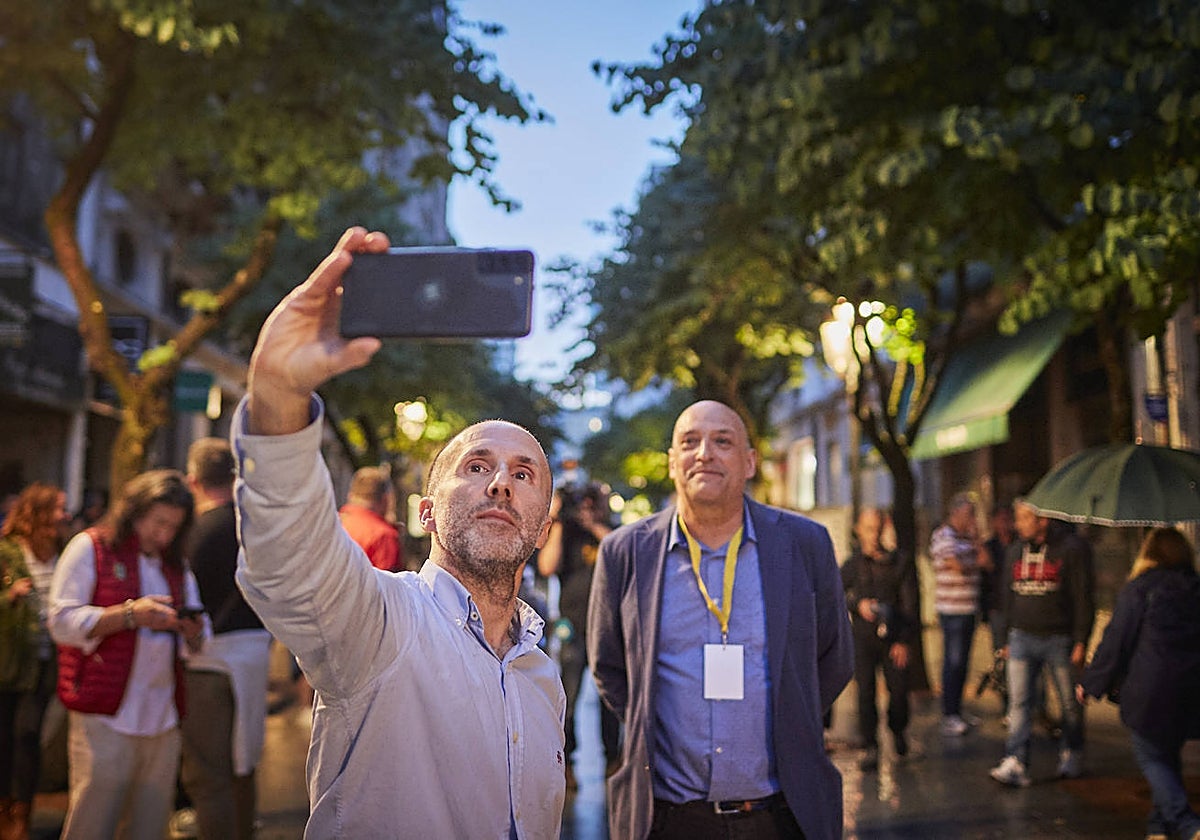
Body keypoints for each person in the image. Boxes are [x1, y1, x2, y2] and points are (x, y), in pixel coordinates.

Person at [230, 227, 565, 838]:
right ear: (427, 513)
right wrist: (278, 394)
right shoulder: (381, 625)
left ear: (543, 525)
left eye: (523, 474)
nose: (500, 484)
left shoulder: (542, 676)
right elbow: (292, 567)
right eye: (476, 467)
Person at [588, 399, 853, 840]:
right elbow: (610, 667)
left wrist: (793, 718)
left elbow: (835, 658)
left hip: (782, 816)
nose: (705, 453)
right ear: (673, 462)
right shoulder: (625, 552)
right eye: (689, 442)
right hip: (667, 819)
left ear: (749, 462)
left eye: (723, 441)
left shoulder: (806, 544)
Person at [47, 469, 208, 840]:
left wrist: (192, 631)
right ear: (135, 511)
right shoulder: (91, 547)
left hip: (162, 716)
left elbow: (200, 634)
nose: (163, 534)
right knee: (94, 820)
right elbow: (61, 620)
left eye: (173, 527)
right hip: (105, 714)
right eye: (158, 523)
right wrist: (130, 615)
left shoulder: (175, 565)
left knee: (149, 825)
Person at [1078, 527, 1200, 840]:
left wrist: (1091, 683)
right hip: (1190, 689)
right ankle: (1159, 826)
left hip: (1151, 689)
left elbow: (1117, 641)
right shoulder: (1195, 588)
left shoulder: (1140, 589)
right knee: (1167, 754)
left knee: (1151, 755)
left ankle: (1186, 824)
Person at [180, 438, 272, 840]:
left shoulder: (191, 532)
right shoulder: (256, 528)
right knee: (244, 762)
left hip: (207, 658)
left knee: (207, 771)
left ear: (193, 479)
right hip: (254, 650)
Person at [989, 499, 1093, 787]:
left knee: (1069, 702)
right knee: (1019, 703)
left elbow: (1083, 597)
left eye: (1024, 518)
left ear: (1042, 520)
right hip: (1021, 636)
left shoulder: (1070, 549)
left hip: (1058, 637)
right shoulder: (1014, 551)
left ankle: (1072, 751)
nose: (1018, 524)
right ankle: (1016, 759)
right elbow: (1006, 596)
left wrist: (1081, 640)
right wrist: (1005, 638)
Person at [538, 482, 620, 790]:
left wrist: (596, 525)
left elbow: (621, 556)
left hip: (610, 628)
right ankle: (567, 765)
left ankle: (613, 760)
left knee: (610, 701)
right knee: (568, 700)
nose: (585, 508)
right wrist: (558, 521)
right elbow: (547, 566)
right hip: (574, 628)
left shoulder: (611, 532)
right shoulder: (566, 532)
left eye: (591, 502)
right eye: (581, 503)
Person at [0, 484, 70, 840]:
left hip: (46, 660)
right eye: (59, 508)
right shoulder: (7, 551)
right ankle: (5, 809)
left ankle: (22, 814)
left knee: (27, 735)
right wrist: (8, 597)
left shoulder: (62, 550)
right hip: (9, 659)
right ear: (38, 512)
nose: (65, 514)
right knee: (5, 736)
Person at [841, 506, 919, 771]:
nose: (873, 535)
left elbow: (911, 604)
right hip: (862, 639)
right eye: (868, 528)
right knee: (865, 693)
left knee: (898, 693)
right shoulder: (852, 565)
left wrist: (904, 640)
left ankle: (898, 730)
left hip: (893, 638)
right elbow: (836, 596)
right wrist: (857, 604)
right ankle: (869, 745)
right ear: (858, 530)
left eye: (877, 528)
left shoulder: (899, 562)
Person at [929, 492, 992, 736]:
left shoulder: (969, 537)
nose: (972, 518)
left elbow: (987, 562)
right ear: (955, 513)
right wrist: (973, 562)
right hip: (951, 610)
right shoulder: (943, 536)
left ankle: (958, 709)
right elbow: (955, 565)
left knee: (963, 663)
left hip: (969, 608)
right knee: (952, 662)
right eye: (969, 514)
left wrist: (976, 539)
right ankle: (949, 714)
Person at [339, 466, 403, 572]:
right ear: (385, 499)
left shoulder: (333, 524)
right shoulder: (384, 536)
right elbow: (387, 585)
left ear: (350, 495)